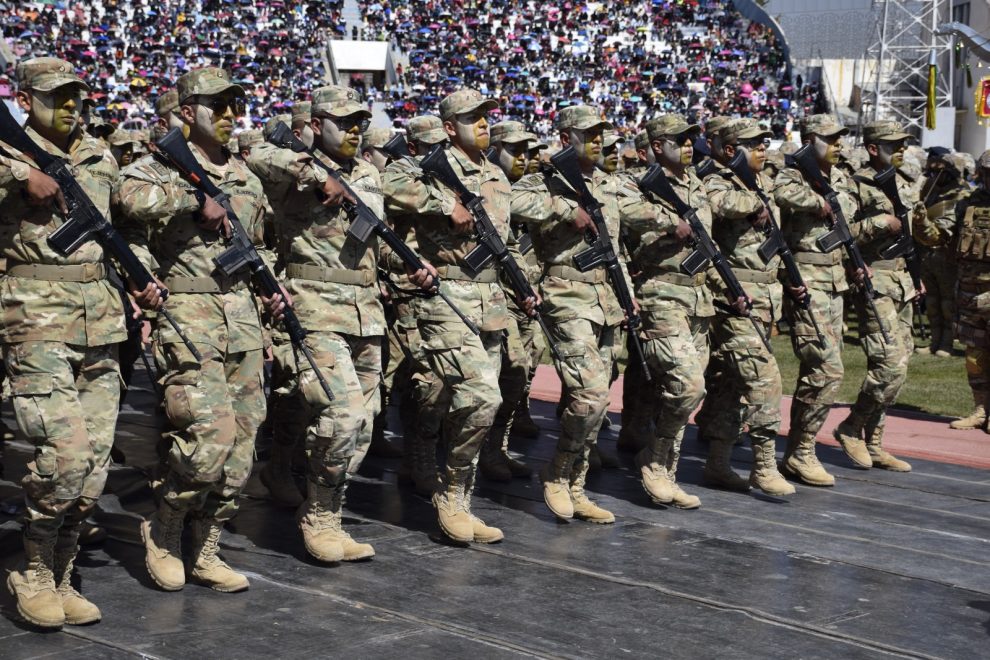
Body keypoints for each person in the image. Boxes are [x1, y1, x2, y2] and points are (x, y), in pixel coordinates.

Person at [116, 67, 280, 592]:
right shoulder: (157, 168)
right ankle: (164, 530)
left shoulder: (247, 178)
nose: (231, 116)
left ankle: (206, 544)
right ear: (187, 112)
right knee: (208, 438)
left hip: (245, 324)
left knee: (242, 451)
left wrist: (273, 286)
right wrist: (193, 199)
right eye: (219, 105)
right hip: (189, 321)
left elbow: (260, 244)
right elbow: (127, 208)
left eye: (236, 105)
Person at [1, 57, 148, 628]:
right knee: (60, 458)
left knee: (90, 470)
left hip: (101, 322)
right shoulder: (12, 151)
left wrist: (137, 282)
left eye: (74, 95)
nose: (68, 104)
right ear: (24, 97)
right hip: (36, 322)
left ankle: (62, 572)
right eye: (54, 95)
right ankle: (33, 570)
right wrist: (20, 176)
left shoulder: (97, 153)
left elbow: (120, 229)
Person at [394, 89, 527, 543]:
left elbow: (503, 244)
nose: (485, 124)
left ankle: (461, 499)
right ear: (450, 127)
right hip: (446, 300)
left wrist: (523, 289)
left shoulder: (495, 175)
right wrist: (442, 204)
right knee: (482, 396)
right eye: (473, 118)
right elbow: (386, 185)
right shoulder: (427, 168)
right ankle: (448, 494)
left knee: (476, 406)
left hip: (490, 302)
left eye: (488, 116)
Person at [512, 104, 627, 523]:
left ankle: (577, 485)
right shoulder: (541, 182)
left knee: (599, 402)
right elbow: (512, 202)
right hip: (563, 298)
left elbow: (617, 252)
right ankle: (557, 474)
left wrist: (627, 300)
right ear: (565, 139)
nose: (599, 140)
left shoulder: (607, 184)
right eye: (589, 133)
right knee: (591, 394)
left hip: (604, 301)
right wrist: (564, 208)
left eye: (601, 132)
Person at [617, 114, 713, 509]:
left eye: (692, 139)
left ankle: (666, 470)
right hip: (660, 296)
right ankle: (654, 461)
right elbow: (622, 210)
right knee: (689, 385)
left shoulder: (697, 184)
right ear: (658, 146)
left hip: (698, 300)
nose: (689, 145)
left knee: (682, 394)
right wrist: (667, 219)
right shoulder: (634, 182)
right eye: (680, 139)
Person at [700, 118, 794, 495]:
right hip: (733, 301)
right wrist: (754, 200)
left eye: (763, 143)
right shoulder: (716, 181)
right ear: (728, 151)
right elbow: (718, 203)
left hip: (764, 301)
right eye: (752, 143)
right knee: (765, 379)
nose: (762, 149)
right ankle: (764, 464)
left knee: (732, 386)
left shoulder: (764, 183)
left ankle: (717, 462)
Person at [772, 115, 860, 486]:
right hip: (806, 281)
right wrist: (817, 199)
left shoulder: (841, 176)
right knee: (826, 368)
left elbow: (850, 216)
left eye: (841, 138)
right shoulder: (793, 173)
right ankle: (801, 451)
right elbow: (780, 193)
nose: (839, 144)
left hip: (835, 281)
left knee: (823, 370)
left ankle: (799, 449)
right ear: (811, 140)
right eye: (831, 139)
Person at [833, 121, 922, 473]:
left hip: (902, 279)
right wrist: (879, 224)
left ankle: (874, 442)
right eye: (892, 144)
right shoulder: (857, 184)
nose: (901, 148)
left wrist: (916, 276)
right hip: (875, 280)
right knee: (888, 362)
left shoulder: (902, 182)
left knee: (901, 365)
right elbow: (843, 232)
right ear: (873, 148)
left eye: (903, 143)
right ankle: (851, 426)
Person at [381, 114, 452, 497]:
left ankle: (417, 458)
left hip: (437, 290)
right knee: (409, 380)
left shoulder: (445, 174)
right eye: (431, 147)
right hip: (403, 290)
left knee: (428, 380)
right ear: (412, 148)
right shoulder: (400, 174)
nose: (440, 153)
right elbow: (397, 193)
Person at [481, 120, 541, 481]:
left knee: (516, 372)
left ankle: (496, 448)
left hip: (512, 295)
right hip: (474, 294)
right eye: (515, 150)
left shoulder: (525, 186)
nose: (523, 158)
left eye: (527, 152)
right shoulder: (483, 182)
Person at [945, 151, 990, 431]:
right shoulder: (967, 204)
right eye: (987, 171)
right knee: (974, 355)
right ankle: (980, 409)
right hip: (970, 292)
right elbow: (944, 235)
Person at [915, 147, 969, 358]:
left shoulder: (961, 193)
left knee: (948, 303)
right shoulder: (931, 188)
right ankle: (933, 341)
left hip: (947, 254)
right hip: (927, 253)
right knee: (931, 302)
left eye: (940, 171)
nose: (935, 174)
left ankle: (946, 343)